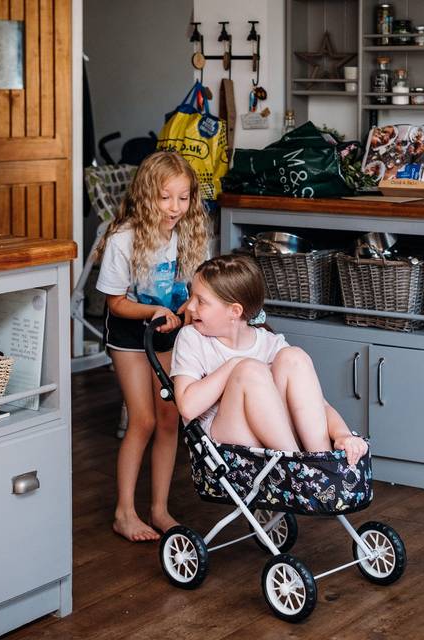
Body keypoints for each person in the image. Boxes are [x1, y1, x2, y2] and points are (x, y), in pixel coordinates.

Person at [95, 151, 211, 542]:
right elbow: (115, 303)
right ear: (148, 195)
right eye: (165, 198)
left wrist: (188, 307)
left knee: (168, 419)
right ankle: (124, 513)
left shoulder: (190, 234)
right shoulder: (124, 239)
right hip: (130, 335)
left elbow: (198, 288)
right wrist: (156, 310)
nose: (175, 208)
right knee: (141, 419)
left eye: (183, 197)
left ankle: (159, 510)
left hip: (169, 331)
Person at [169, 254, 368, 466]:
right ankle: (297, 468)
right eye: (192, 297)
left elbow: (316, 405)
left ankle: (323, 465)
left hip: (275, 434)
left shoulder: (270, 343)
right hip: (226, 441)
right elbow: (188, 407)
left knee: (294, 357)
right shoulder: (192, 337)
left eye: (201, 301)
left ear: (234, 311)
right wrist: (234, 365)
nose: (190, 307)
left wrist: (342, 434)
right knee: (248, 370)